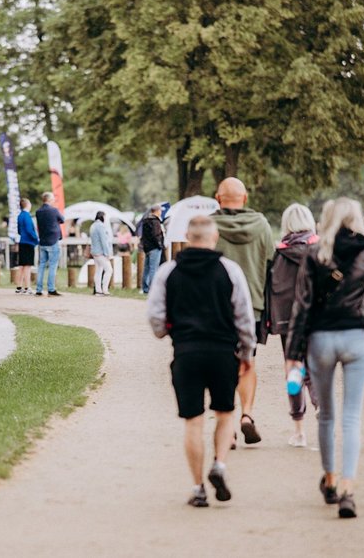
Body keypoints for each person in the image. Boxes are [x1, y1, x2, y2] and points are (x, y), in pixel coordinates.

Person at [286, 198, 364, 519]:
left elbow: (301, 305)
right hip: (355, 336)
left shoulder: (315, 254)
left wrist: (293, 353)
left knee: (327, 414)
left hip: (321, 339)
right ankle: (347, 489)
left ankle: (329, 479)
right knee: (352, 416)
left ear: (326, 219)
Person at [147, 216, 255, 507]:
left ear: (187, 237)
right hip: (222, 353)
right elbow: (244, 317)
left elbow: (156, 316)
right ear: (215, 236)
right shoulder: (229, 270)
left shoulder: (169, 272)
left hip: (186, 352)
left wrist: (165, 333)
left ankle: (198, 488)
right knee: (224, 414)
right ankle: (219, 464)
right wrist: (246, 353)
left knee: (193, 421)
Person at [210, 177, 274, 445]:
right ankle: (246, 415)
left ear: (218, 198)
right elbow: (272, 264)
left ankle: (228, 428)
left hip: (217, 308)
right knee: (247, 362)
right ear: (245, 198)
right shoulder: (261, 225)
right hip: (253, 307)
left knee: (221, 365)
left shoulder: (210, 225)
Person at [264, 203, 320, 448]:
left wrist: (272, 320)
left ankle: (299, 431)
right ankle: (321, 405)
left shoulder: (279, 254)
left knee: (294, 369)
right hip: (318, 318)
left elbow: (272, 289)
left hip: (288, 320)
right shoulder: (321, 250)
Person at [34, 191, 64, 297]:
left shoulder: (38, 211)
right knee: (52, 265)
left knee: (41, 265)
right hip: (53, 241)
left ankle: (39, 289)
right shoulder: (54, 210)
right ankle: (51, 289)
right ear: (50, 200)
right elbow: (62, 219)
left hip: (42, 241)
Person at [139, 203, 165, 294]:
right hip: (154, 247)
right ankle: (152, 288)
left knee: (146, 268)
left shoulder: (146, 220)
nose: (161, 212)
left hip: (147, 247)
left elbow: (144, 235)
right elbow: (156, 235)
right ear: (157, 211)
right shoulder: (155, 221)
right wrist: (160, 245)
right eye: (160, 210)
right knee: (153, 268)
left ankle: (145, 288)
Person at [15, 198, 38, 294]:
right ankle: (27, 287)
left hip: (22, 241)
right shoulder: (27, 216)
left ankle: (19, 286)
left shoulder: (20, 215)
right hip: (29, 242)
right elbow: (29, 229)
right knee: (27, 266)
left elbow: (19, 230)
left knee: (21, 265)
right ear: (28, 204)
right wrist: (36, 239)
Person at [89, 211, 114, 296]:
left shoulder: (93, 225)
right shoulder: (101, 226)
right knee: (109, 270)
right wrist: (107, 253)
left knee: (98, 271)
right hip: (101, 252)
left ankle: (98, 290)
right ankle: (105, 289)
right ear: (102, 217)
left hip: (94, 252)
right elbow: (104, 241)